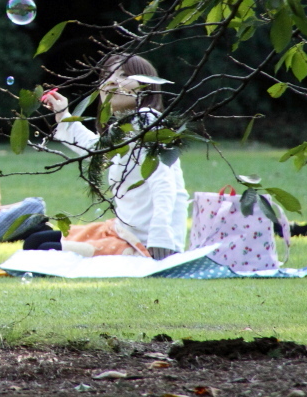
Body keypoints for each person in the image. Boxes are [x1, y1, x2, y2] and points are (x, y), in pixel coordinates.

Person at [29, 54, 188, 260]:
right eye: (108, 76)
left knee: (43, 248)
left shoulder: (149, 122)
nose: (112, 81)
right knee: (36, 241)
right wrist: (63, 114)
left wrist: (160, 237)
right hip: (120, 232)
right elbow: (96, 150)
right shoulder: (126, 126)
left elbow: (163, 183)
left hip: (145, 244)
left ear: (146, 86)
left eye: (124, 75)